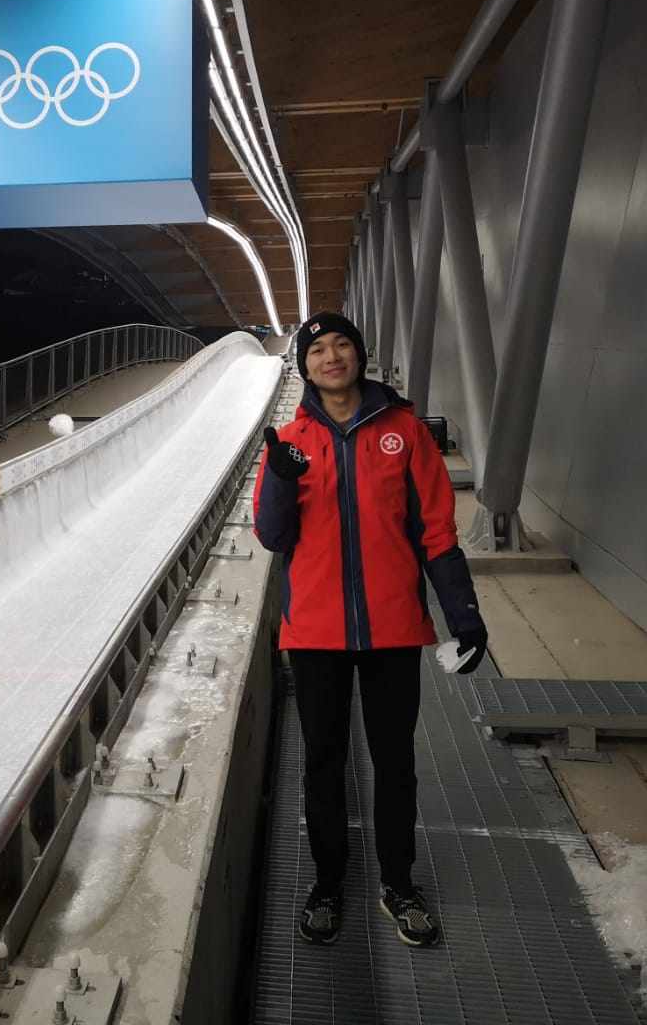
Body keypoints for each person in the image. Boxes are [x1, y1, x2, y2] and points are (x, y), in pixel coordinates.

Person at [253, 310, 488, 948]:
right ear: (303, 366)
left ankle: (398, 883)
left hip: (391, 629)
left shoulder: (405, 433)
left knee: (395, 763)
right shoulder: (293, 441)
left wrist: (462, 615)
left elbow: (436, 530)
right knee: (323, 765)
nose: (331, 357)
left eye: (342, 345)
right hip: (316, 635)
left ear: (358, 354)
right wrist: (279, 479)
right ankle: (327, 884)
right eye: (318, 350)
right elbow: (273, 536)